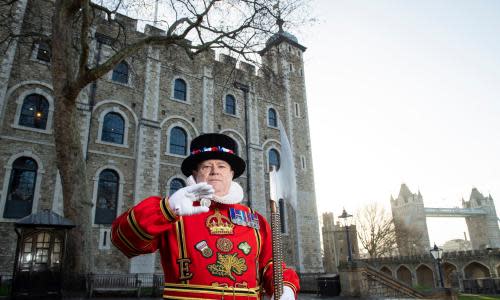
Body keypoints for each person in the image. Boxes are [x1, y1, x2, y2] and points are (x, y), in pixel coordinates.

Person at [112, 133, 299, 299]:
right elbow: (123, 239)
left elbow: (271, 265)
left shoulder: (255, 219)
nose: (215, 170)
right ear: (195, 172)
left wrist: (285, 290)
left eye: (222, 166)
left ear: (232, 173)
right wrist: (165, 209)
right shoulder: (174, 211)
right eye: (206, 166)